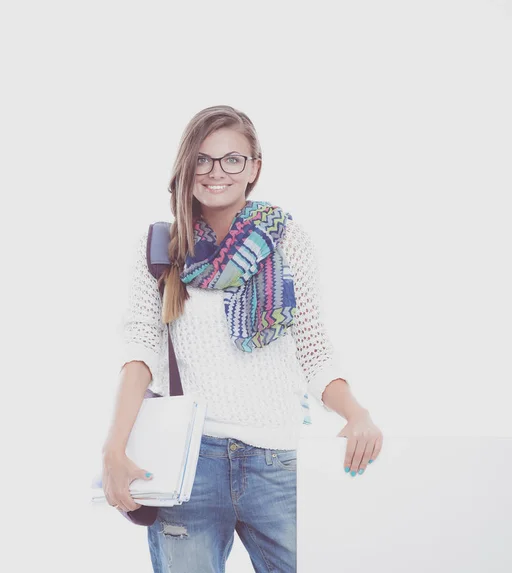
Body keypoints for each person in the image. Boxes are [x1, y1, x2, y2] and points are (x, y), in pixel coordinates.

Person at [101, 105, 383, 573]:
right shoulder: (161, 247)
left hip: (280, 464)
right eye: (204, 159)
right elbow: (140, 353)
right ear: (185, 166)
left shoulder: (288, 241)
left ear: (254, 168)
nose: (217, 172)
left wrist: (357, 414)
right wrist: (114, 447)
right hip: (190, 464)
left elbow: (312, 349)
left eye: (233, 159)